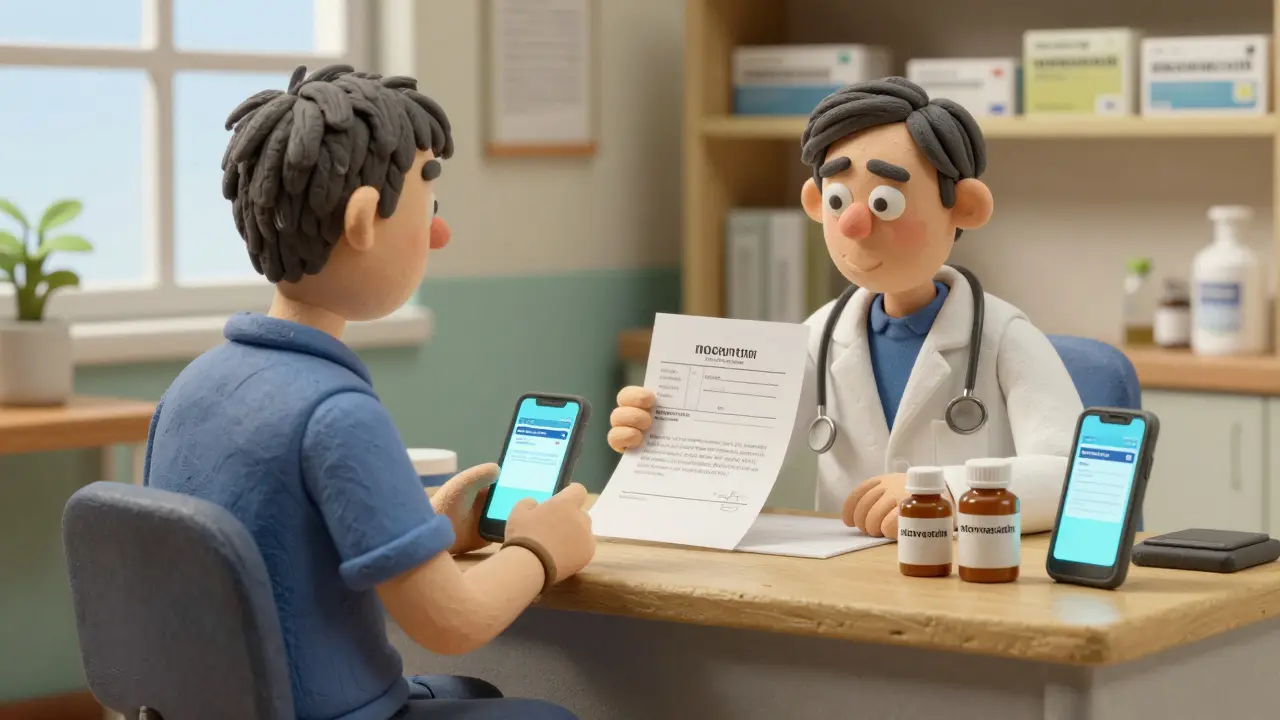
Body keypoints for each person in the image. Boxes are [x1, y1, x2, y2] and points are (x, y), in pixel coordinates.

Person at [143, 64, 590, 720]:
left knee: (478, 698)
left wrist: (426, 530)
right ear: (361, 221)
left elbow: (277, 542)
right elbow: (451, 624)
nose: (439, 235)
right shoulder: (334, 414)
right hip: (324, 711)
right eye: (428, 209)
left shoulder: (191, 387)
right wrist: (541, 548)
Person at [609, 77, 1082, 539]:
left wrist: (940, 492)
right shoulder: (819, 335)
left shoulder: (1004, 336)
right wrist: (658, 438)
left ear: (964, 208)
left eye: (885, 202)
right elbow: (734, 458)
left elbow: (1069, 477)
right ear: (816, 203)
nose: (855, 224)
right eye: (838, 200)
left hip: (963, 572)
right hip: (845, 581)